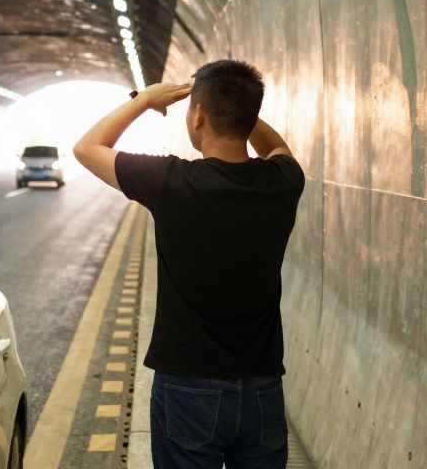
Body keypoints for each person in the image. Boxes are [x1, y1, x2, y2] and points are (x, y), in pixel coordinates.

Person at [72, 59, 304, 469]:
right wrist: (239, 108)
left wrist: (145, 100)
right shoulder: (283, 180)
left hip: (188, 386)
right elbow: (275, 148)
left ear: (197, 116)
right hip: (262, 386)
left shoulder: (171, 182)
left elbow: (87, 147)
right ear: (249, 117)